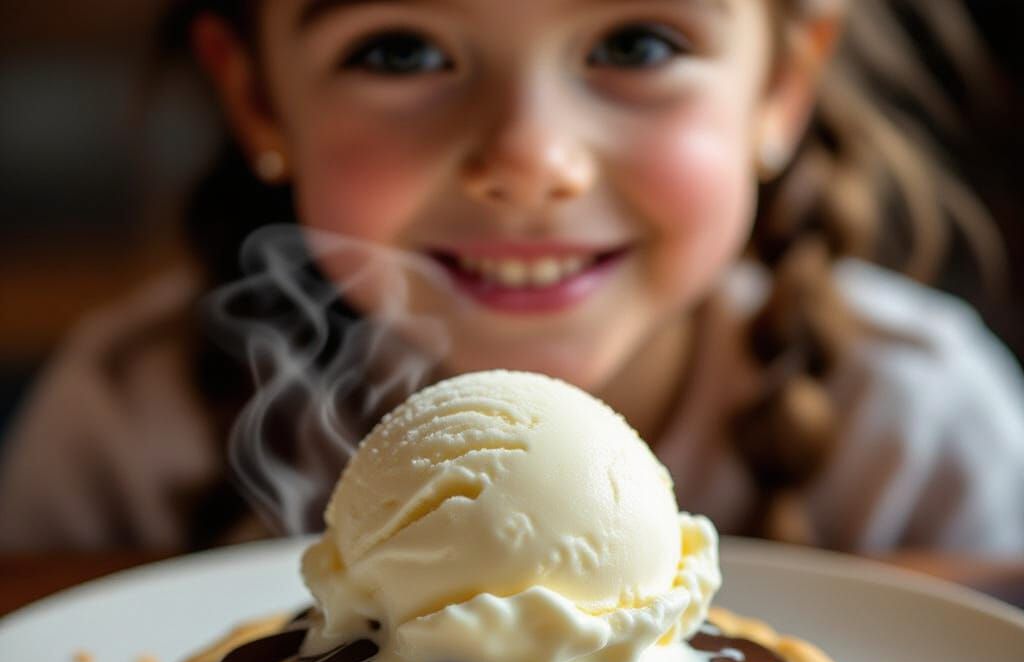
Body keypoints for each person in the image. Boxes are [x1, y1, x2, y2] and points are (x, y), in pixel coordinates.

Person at [1, 0, 1022, 553]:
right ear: (258, 97)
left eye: (637, 41)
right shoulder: (127, 421)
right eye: (400, 50)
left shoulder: (917, 427)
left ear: (781, 85)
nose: (532, 158)